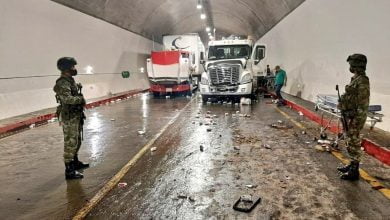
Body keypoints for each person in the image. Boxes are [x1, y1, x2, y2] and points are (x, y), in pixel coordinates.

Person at [54, 57, 89, 180]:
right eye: (73, 66)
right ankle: (69, 171)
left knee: (77, 140)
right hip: (69, 117)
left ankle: (75, 163)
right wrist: (80, 99)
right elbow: (66, 99)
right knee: (70, 143)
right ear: (66, 68)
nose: (75, 69)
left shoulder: (70, 80)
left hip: (75, 115)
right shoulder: (62, 82)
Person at [337, 54, 370, 180]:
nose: (350, 67)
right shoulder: (356, 78)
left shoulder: (363, 80)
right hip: (349, 115)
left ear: (357, 65)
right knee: (349, 141)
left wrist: (358, 119)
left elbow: (363, 102)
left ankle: (354, 171)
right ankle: (352, 165)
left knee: (354, 142)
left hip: (355, 117)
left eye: (351, 64)